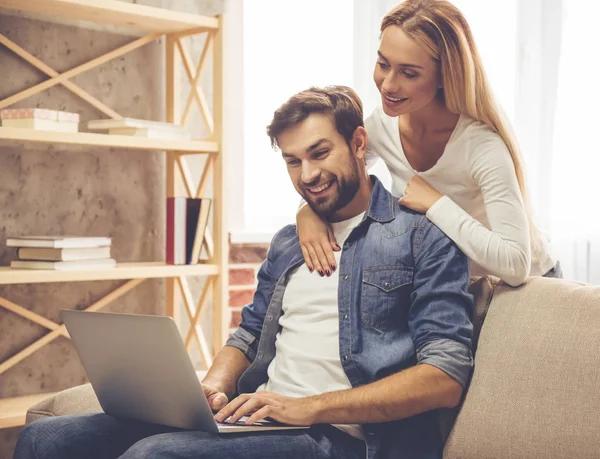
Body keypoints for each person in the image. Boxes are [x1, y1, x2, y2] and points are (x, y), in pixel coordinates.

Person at [14, 86, 474, 459]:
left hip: (342, 438)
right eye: (293, 161)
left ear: (358, 143)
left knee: (155, 455)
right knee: (46, 440)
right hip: (260, 421)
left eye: (319, 153)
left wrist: (307, 408)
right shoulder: (290, 241)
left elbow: (445, 377)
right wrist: (212, 386)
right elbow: (248, 333)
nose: (308, 174)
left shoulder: (421, 237)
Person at [296, 0, 561, 287]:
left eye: (409, 73)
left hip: (530, 287)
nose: (387, 84)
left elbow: (516, 265)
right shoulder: (380, 127)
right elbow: (337, 173)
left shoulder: (482, 146)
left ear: (445, 76)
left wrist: (436, 204)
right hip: (457, 286)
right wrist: (306, 212)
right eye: (383, 64)